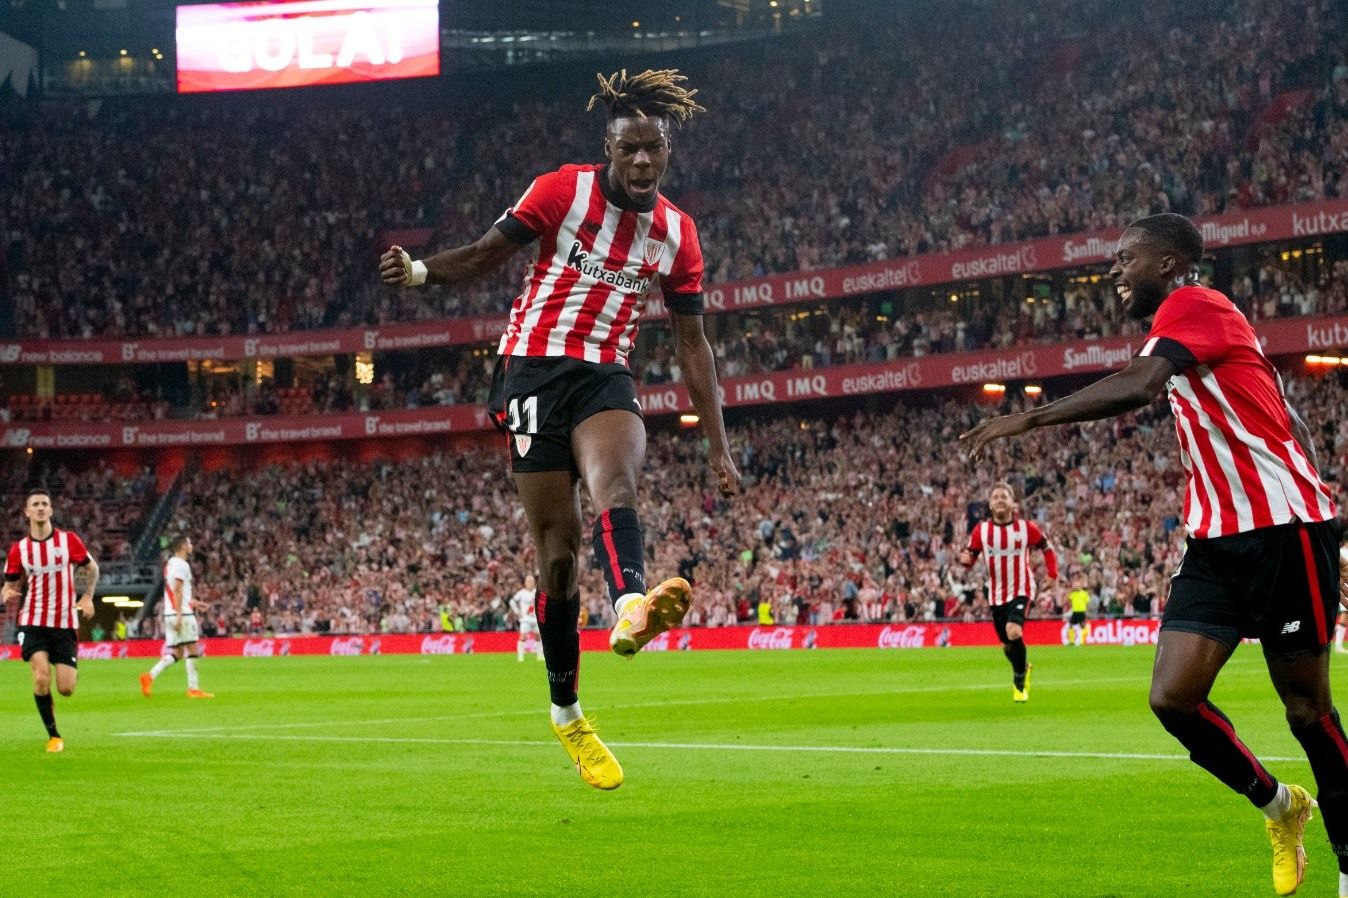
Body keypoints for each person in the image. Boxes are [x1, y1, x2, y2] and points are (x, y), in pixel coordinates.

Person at [962, 213, 1348, 897]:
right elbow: (1289, 420)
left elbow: (1138, 386)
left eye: (1125, 258)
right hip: (1215, 540)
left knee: (1306, 710)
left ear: (1168, 264)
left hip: (1284, 532)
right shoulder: (1190, 333)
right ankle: (1282, 806)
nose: (1114, 270)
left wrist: (1029, 416)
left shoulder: (1195, 304)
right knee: (1173, 698)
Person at [380, 68, 740, 790]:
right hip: (532, 373)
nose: (642, 162)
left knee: (616, 478)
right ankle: (568, 716)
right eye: (629, 148)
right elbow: (487, 253)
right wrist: (419, 272)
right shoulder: (560, 191)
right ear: (609, 148)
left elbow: (692, 344)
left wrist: (718, 446)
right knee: (557, 557)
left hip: (605, 371)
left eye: (654, 150)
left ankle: (633, 606)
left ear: (668, 151)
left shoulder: (678, 235)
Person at [1, 487, 100, 753]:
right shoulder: (19, 549)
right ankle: (54, 736)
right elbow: (9, 582)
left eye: (45, 503)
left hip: (65, 622)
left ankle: (61, 687)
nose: (41, 508)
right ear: (27, 511)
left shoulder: (68, 541)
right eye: (36, 504)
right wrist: (6, 591)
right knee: (41, 677)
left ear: (52, 510)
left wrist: (88, 596)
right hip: (32, 620)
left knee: (66, 688)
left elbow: (92, 568)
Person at [957, 482, 1057, 702]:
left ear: (1014, 504)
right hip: (996, 594)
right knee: (1007, 646)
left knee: (1014, 632)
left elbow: (1046, 547)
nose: (1000, 499)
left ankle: (1020, 679)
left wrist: (1052, 574)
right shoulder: (981, 531)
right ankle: (1023, 668)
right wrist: (966, 561)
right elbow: (970, 556)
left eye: (1004, 496)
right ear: (991, 506)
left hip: (1022, 588)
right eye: (995, 497)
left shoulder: (1026, 528)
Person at [140, 535, 213, 699]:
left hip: (171, 613)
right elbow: (178, 589)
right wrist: (181, 613)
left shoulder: (171, 564)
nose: (191, 545)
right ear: (182, 547)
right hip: (181, 614)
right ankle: (194, 689)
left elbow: (174, 591)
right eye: (189, 543)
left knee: (178, 652)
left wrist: (194, 602)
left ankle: (149, 676)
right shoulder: (182, 565)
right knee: (193, 649)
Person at [509, 574, 544, 662]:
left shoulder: (537, 592)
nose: (530, 583)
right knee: (523, 637)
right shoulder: (521, 592)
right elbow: (512, 601)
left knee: (538, 637)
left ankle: (539, 656)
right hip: (525, 619)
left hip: (536, 619)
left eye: (531, 581)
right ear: (525, 583)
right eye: (528, 582)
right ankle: (520, 657)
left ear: (534, 583)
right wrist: (517, 612)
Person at [1066, 574, 1091, 647]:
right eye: (1075, 585)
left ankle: (1082, 641)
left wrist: (1087, 611)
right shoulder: (1073, 594)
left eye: (1078, 585)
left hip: (1081, 611)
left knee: (1082, 626)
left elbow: (1087, 603)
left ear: (1081, 586)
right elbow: (1068, 599)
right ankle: (1071, 641)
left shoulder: (1084, 593)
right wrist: (1070, 590)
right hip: (1075, 611)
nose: (1076, 586)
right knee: (1071, 625)